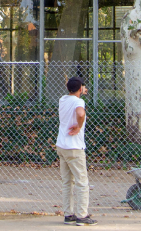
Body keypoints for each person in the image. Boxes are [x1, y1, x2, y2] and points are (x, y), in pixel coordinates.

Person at [56, 76, 93, 225]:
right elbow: (80, 113)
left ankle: (68, 214)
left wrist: (79, 89)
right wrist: (78, 126)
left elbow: (71, 92)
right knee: (82, 182)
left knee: (67, 182)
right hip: (74, 147)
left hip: (61, 145)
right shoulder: (79, 102)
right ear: (79, 89)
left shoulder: (63, 100)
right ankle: (82, 216)